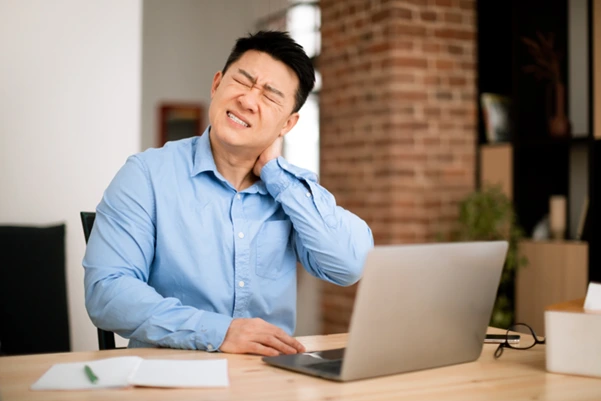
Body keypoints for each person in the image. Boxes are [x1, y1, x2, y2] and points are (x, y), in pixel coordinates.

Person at [83, 30, 374, 356]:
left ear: (287, 125)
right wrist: (218, 332)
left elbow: (350, 265)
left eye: (270, 96)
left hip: (267, 379)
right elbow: (106, 291)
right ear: (216, 84)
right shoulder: (146, 175)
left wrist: (277, 176)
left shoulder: (291, 190)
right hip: (169, 375)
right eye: (242, 81)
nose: (248, 101)